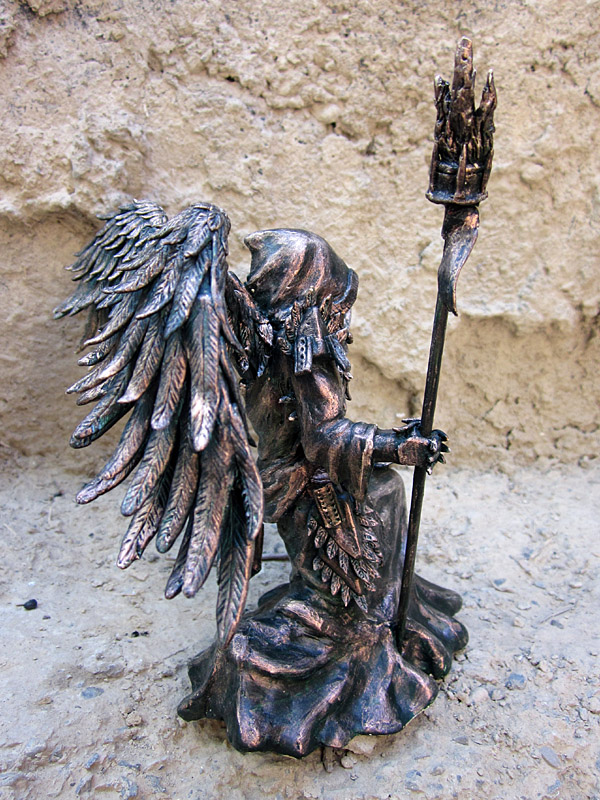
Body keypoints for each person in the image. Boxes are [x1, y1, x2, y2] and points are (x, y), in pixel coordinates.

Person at [178, 228, 467, 757]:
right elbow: (324, 438)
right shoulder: (305, 356)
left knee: (382, 492)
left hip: (295, 472)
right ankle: (353, 625)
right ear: (316, 301)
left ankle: (376, 608)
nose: (344, 319)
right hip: (303, 483)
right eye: (338, 304)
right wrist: (396, 447)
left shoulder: (272, 340)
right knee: (381, 495)